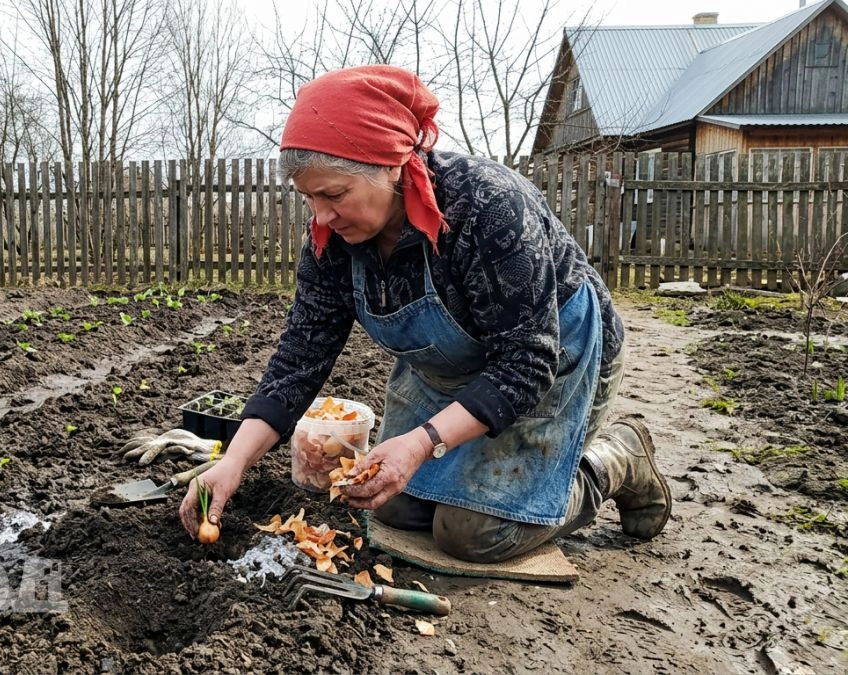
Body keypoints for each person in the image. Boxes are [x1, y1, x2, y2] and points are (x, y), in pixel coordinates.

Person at [178, 65, 671, 563]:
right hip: (453, 371)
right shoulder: (330, 242)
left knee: (473, 534)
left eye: (334, 195)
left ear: (390, 166)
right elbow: (300, 358)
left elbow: (526, 362)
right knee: (389, 505)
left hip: (552, 357)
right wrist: (233, 462)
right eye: (309, 198)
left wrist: (421, 444)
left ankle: (617, 459)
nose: (320, 216)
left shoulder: (487, 207)